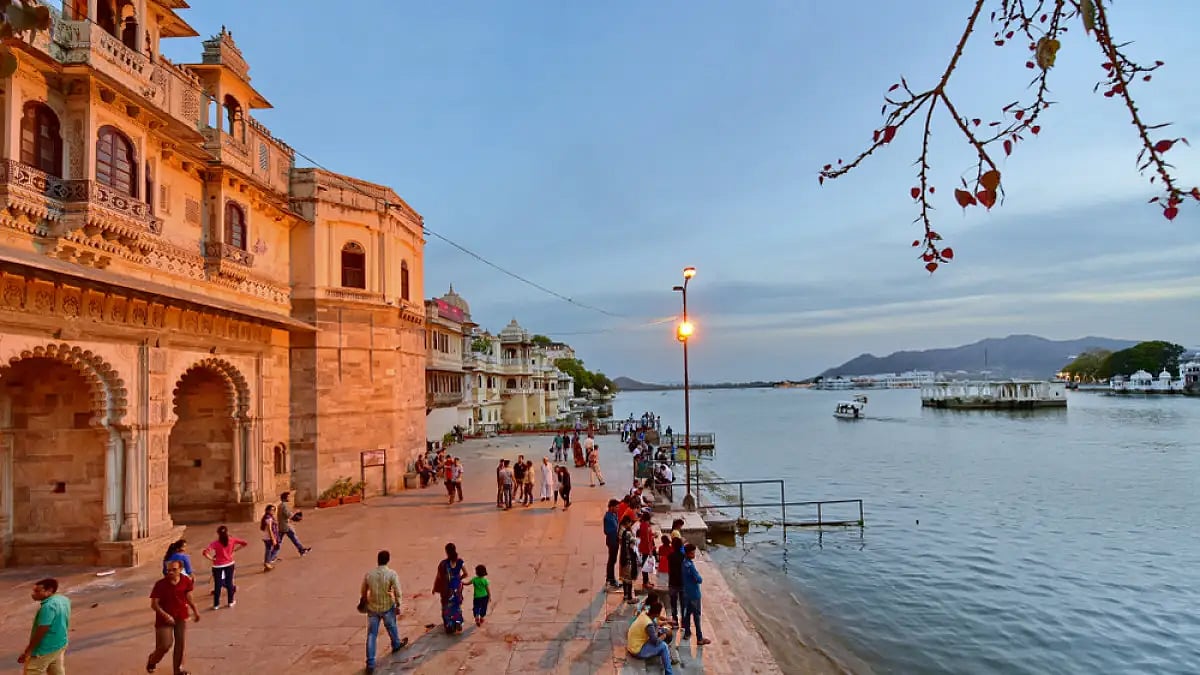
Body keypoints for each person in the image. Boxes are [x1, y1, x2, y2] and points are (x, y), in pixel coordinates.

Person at [147, 559, 200, 674]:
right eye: (168, 570)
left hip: (181, 615)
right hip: (164, 619)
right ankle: (152, 659)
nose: (170, 572)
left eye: (174, 570)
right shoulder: (160, 584)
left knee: (180, 644)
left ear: (180, 570)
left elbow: (189, 597)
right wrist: (165, 615)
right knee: (165, 645)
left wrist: (195, 611)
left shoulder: (186, 580)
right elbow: (154, 604)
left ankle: (178, 670)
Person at [361, 550, 409, 674]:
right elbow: (398, 591)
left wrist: (365, 601)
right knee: (391, 626)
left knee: (372, 634)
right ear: (388, 560)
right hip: (387, 606)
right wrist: (398, 603)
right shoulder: (391, 574)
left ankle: (370, 663)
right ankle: (396, 644)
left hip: (373, 607)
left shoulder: (369, 574)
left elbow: (363, 590)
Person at [19, 578, 70, 675]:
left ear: (49, 590)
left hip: (45, 648)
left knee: (32, 671)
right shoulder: (63, 599)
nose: (33, 594)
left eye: (37, 591)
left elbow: (42, 630)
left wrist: (28, 650)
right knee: (56, 670)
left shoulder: (48, 607)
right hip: (60, 642)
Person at [201, 526, 247, 610]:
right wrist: (234, 551)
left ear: (218, 534)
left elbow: (205, 552)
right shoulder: (232, 540)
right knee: (229, 583)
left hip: (217, 565)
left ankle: (216, 604)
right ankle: (230, 601)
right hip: (229, 563)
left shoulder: (215, 543)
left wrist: (212, 559)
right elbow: (244, 543)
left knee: (217, 585)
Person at [626, 600, 675, 675]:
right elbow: (655, 642)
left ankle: (664, 655)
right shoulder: (649, 625)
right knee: (664, 646)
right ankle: (669, 673)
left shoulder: (644, 613)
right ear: (657, 613)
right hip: (637, 650)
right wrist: (663, 636)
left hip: (633, 644)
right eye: (659, 613)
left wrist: (665, 623)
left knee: (662, 633)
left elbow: (655, 624)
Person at [432, 543, 466, 634]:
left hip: (447, 590)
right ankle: (458, 622)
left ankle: (449, 626)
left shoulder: (443, 564)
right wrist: (459, 579)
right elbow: (466, 573)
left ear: (446, 552)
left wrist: (435, 587)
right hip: (456, 588)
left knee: (446, 607)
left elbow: (439, 577)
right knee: (456, 606)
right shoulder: (460, 561)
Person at [680, 544, 711, 645]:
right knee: (697, 617)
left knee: (687, 614)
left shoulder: (684, 563)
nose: (694, 554)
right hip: (694, 594)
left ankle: (687, 633)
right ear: (688, 553)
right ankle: (699, 638)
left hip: (686, 593)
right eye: (693, 553)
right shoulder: (690, 566)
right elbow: (699, 579)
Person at [277, 492, 312, 557]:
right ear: (285, 498)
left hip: (283, 526)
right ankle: (271, 557)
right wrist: (296, 512)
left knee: (283, 540)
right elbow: (288, 515)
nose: (289, 498)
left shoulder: (281, 505)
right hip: (285, 526)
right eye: (288, 497)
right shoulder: (284, 506)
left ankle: (301, 550)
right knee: (292, 538)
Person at [618, 515, 639, 603]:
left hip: (623, 557)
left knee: (624, 577)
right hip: (628, 558)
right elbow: (633, 546)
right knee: (629, 578)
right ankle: (630, 597)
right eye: (630, 523)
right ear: (627, 523)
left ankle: (626, 594)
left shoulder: (622, 532)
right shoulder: (629, 534)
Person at [667, 537, 685, 623]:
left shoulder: (670, 556)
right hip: (682, 582)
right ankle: (684, 622)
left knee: (673, 603)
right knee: (683, 603)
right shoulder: (683, 557)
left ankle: (675, 620)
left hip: (673, 582)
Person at [603, 499, 620, 589]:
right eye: (617, 507)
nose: (618, 509)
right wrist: (615, 530)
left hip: (616, 540)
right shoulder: (607, 517)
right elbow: (606, 531)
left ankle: (611, 578)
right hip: (612, 541)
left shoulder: (614, 515)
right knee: (611, 560)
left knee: (613, 560)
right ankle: (610, 579)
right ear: (612, 507)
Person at [637, 511, 657, 589]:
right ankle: (645, 582)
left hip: (645, 547)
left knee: (646, 565)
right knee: (645, 566)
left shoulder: (644, 525)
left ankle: (647, 581)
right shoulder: (645, 526)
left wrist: (652, 535)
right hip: (646, 548)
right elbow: (647, 540)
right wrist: (650, 550)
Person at [260, 505, 280, 572]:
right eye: (271, 510)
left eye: (274, 510)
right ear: (267, 510)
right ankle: (267, 562)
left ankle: (268, 563)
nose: (273, 511)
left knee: (269, 550)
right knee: (272, 548)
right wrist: (273, 539)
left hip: (265, 536)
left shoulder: (267, 517)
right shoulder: (269, 518)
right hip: (268, 537)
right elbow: (270, 529)